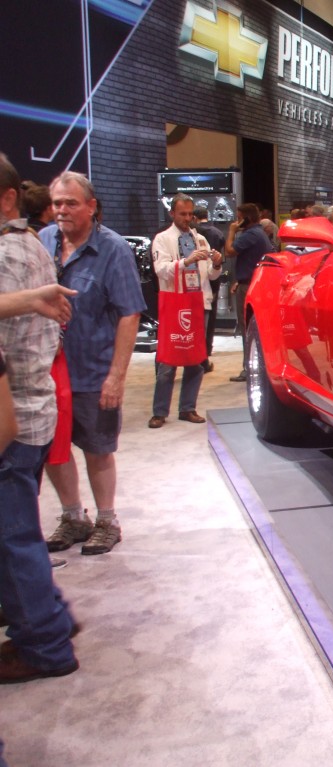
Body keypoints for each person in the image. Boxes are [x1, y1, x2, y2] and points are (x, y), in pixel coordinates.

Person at [38, 171, 146, 556]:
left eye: (70, 203)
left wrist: (116, 376)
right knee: (54, 448)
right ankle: (72, 516)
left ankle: (106, 520)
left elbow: (129, 314)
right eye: (57, 203)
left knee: (98, 449)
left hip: (92, 369)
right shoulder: (43, 241)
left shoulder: (113, 249)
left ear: (91, 206)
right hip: (47, 370)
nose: (62, 210)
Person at [0, 152, 78, 683]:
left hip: (13, 414)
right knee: (17, 531)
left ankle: (45, 643)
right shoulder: (32, 244)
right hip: (30, 407)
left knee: (13, 538)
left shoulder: (8, 252)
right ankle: (49, 618)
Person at [148, 194, 223, 428]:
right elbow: (161, 270)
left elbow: (211, 274)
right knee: (168, 360)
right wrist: (187, 261)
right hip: (174, 304)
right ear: (172, 214)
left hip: (198, 303)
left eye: (191, 214)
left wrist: (217, 264)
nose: (188, 219)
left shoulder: (200, 239)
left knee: (196, 359)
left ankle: (188, 408)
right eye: (183, 214)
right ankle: (160, 411)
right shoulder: (162, 239)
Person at [225, 203, 273, 381]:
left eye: (239, 218)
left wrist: (231, 231)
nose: (236, 222)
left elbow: (229, 251)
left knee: (247, 327)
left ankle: (248, 368)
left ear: (247, 218)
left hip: (249, 287)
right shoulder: (259, 233)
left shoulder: (251, 234)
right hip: (251, 282)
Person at [192, 204, 225, 373]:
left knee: (203, 326)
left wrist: (217, 264)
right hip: (183, 295)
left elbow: (212, 269)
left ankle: (202, 359)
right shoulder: (218, 232)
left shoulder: (202, 240)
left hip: (204, 287)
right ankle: (205, 352)